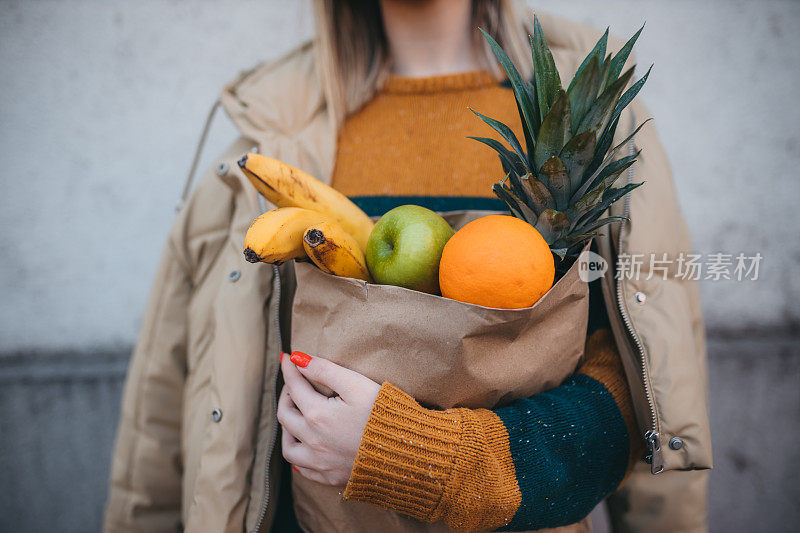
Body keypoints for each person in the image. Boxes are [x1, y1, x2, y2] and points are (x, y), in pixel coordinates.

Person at [104, 1, 711, 532]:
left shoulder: (583, 117)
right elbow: (166, 403)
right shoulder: (264, 128)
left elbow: (649, 385)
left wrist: (430, 459)